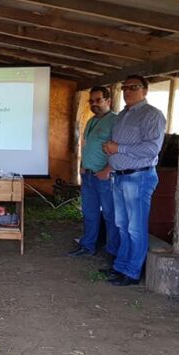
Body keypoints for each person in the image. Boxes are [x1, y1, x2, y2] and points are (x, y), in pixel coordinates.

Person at [102, 75, 166, 286]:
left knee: (135, 228)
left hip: (139, 177)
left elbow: (151, 149)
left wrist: (118, 149)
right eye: (125, 87)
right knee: (122, 225)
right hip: (120, 177)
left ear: (145, 90)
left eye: (134, 87)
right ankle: (120, 266)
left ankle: (132, 272)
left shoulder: (152, 115)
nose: (128, 91)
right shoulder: (123, 114)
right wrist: (112, 152)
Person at [68, 86, 119, 259]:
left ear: (108, 101)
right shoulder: (91, 121)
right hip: (88, 175)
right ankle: (87, 245)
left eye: (98, 100)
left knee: (110, 215)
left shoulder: (115, 121)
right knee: (89, 213)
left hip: (104, 176)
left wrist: (108, 170)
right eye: (91, 101)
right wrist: (82, 166)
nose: (94, 104)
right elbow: (87, 146)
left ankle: (112, 252)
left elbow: (119, 150)